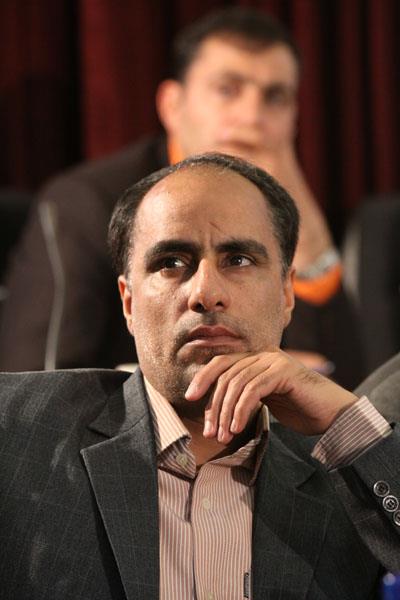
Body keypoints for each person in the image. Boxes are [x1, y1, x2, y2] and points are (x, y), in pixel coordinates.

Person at [0, 153, 398, 599]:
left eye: (238, 259)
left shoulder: (348, 468)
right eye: (171, 262)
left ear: (287, 293)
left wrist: (349, 426)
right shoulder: (16, 434)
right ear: (129, 303)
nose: (206, 292)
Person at [0, 7, 364, 387]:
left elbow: (350, 380)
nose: (252, 116)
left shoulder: (284, 205)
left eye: (275, 97)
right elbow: (39, 384)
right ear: (172, 106)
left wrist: (304, 225)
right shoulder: (84, 202)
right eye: (227, 90)